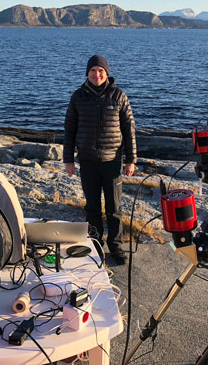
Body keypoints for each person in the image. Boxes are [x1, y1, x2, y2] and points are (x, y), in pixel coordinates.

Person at [63, 54, 136, 265]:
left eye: (101, 71)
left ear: (107, 73)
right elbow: (70, 129)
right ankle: (96, 245)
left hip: (112, 161)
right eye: (93, 71)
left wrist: (130, 160)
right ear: (87, 73)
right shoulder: (78, 97)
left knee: (114, 208)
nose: (97, 75)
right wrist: (68, 159)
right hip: (87, 161)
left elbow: (129, 130)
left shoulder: (118, 96)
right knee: (92, 207)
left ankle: (116, 247)